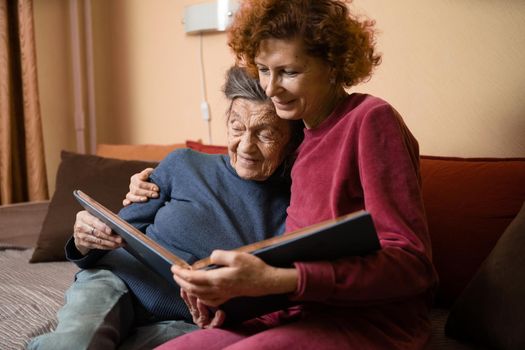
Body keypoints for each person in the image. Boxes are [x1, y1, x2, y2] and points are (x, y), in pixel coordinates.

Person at [145, 1, 438, 349]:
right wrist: (230, 302)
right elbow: (293, 262)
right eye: (263, 70)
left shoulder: (370, 120)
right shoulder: (297, 143)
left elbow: (412, 265)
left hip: (371, 322)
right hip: (301, 314)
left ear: (333, 65)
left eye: (288, 72)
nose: (270, 89)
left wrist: (277, 281)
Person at [26, 66, 303, 350]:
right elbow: (120, 233)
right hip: (120, 281)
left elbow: (272, 298)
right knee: (76, 345)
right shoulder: (183, 164)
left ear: (292, 141)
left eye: (265, 134)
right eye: (237, 127)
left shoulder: (298, 206)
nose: (246, 146)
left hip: (191, 320)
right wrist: (86, 241)